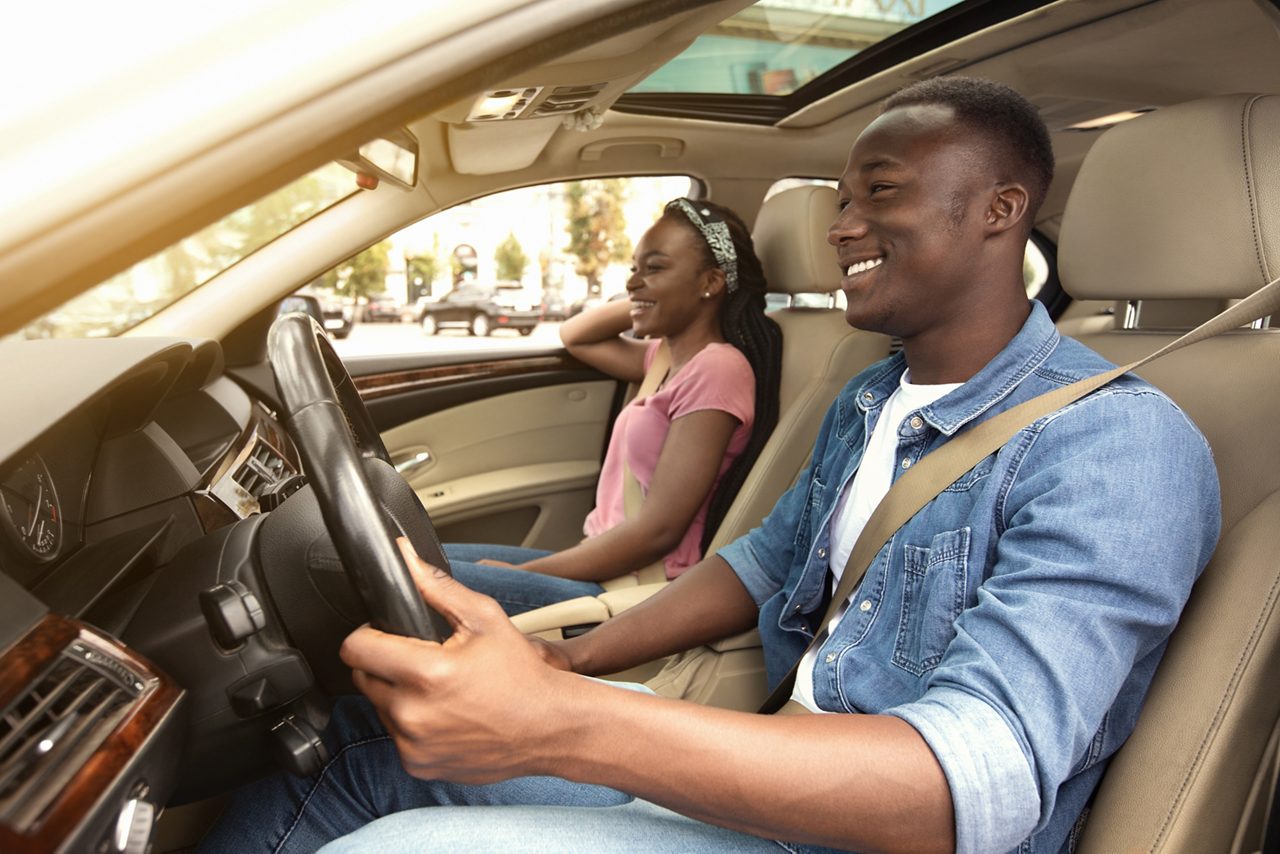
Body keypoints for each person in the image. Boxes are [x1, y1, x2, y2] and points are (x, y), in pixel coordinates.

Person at [201, 78, 1220, 854]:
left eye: (881, 194)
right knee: (357, 739)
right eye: (840, 199)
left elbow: (969, 783)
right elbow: (758, 565)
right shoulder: (873, 396)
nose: (842, 227)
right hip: (778, 766)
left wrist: (564, 724)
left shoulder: (1117, 443)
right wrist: (570, 664)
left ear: (998, 211)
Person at [442, 198, 782, 616]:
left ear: (710, 282)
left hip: (637, 586)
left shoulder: (718, 369)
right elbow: (576, 335)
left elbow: (658, 531)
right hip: (604, 565)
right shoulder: (662, 356)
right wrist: (651, 295)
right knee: (414, 555)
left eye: (655, 267)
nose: (633, 281)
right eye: (633, 268)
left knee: (401, 575)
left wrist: (533, 571)